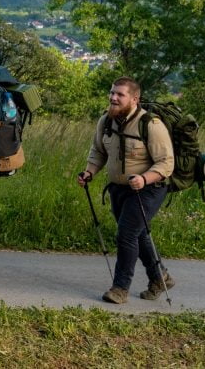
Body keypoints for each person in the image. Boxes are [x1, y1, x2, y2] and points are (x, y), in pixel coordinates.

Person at [77, 77, 174, 304]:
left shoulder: (150, 124)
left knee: (127, 233)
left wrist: (144, 178)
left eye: (120, 94)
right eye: (112, 93)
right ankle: (160, 277)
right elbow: (98, 151)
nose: (113, 97)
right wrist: (89, 172)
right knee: (137, 234)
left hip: (149, 188)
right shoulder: (106, 121)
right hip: (119, 189)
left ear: (134, 99)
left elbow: (166, 163)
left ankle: (120, 288)